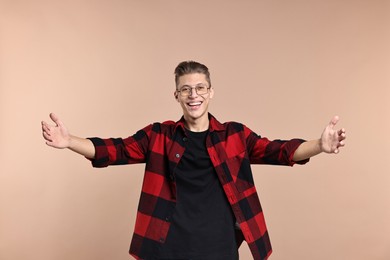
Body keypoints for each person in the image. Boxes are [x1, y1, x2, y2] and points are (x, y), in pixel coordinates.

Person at [41, 61, 346, 260]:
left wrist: (320, 145)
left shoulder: (235, 135)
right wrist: (69, 142)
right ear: (176, 96)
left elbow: (280, 151)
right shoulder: (159, 135)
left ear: (210, 92)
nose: (193, 94)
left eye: (200, 87)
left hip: (220, 247)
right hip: (168, 248)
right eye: (185, 89)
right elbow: (114, 150)